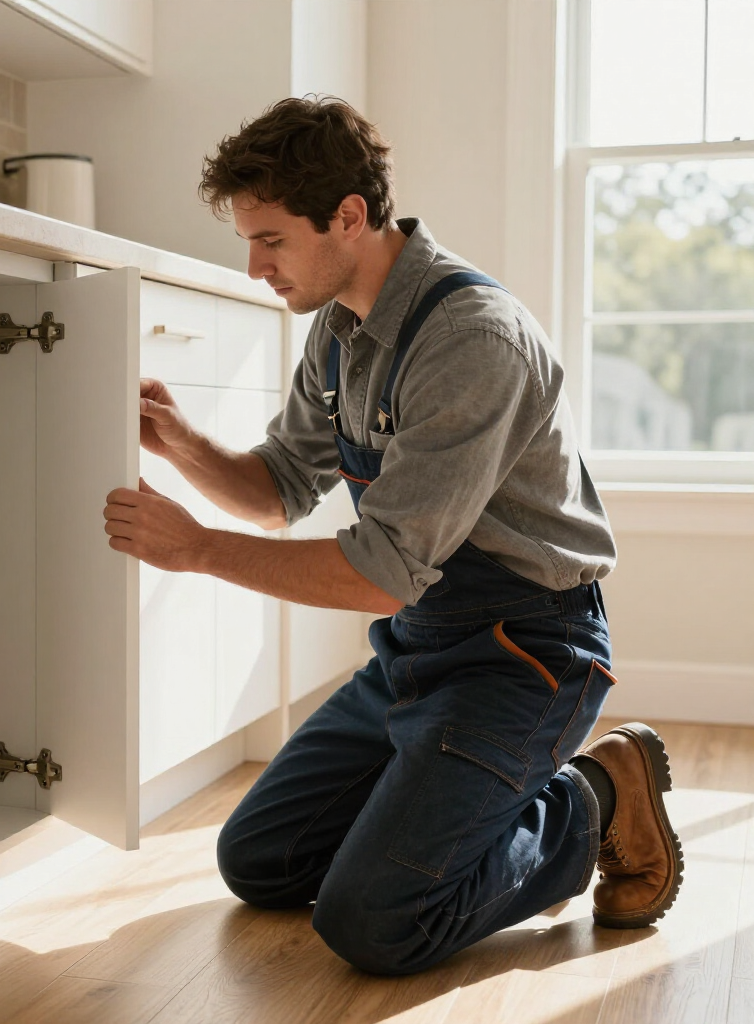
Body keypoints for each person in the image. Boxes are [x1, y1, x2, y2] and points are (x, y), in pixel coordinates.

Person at [102, 96, 683, 975]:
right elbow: (280, 491)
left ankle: (597, 794)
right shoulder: (338, 328)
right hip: (417, 649)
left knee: (376, 922)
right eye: (248, 243)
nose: (256, 267)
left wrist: (197, 550)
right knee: (259, 861)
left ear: (348, 217)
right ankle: (439, 801)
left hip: (523, 654)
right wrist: (181, 441)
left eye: (271, 241)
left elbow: (378, 575)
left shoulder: (472, 341)